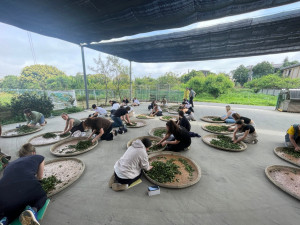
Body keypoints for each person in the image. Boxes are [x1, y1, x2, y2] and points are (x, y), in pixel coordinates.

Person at [0, 143, 47, 225]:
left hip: (2, 194)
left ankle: (4, 220)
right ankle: (32, 210)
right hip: (25, 188)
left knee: (13, 205)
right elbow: (39, 177)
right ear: (33, 153)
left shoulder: (9, 165)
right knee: (41, 196)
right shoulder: (38, 157)